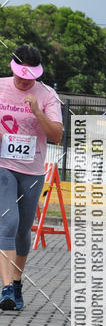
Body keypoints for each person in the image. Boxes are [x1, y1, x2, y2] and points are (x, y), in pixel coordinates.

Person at [0, 45, 63, 310]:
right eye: (20, 75)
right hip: (2, 165)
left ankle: (16, 282)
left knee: (23, 229)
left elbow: (56, 135)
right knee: (8, 222)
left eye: (30, 77)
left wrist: (37, 111)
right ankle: (5, 291)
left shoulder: (47, 95)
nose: (25, 81)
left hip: (32, 170)